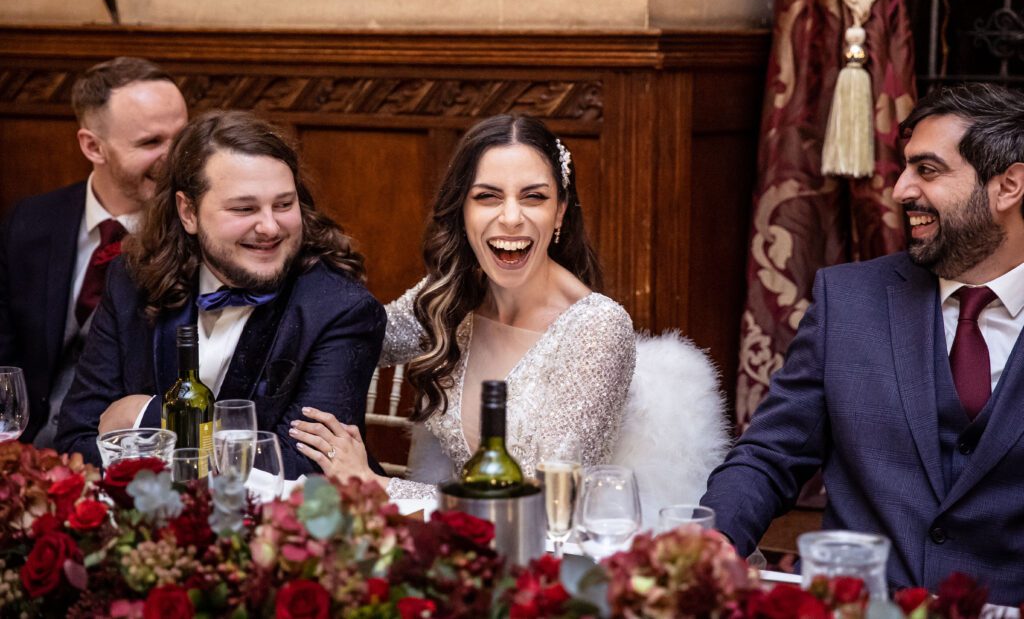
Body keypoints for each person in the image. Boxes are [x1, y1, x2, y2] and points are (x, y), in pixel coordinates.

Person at [700, 83, 1024, 603]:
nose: (900, 190)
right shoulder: (848, 301)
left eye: (928, 170)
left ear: (1008, 186)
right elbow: (769, 455)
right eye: (905, 169)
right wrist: (712, 541)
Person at [289, 114, 637, 498]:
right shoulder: (449, 297)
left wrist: (379, 485)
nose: (510, 218)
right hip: (456, 544)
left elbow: (545, 503)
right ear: (462, 211)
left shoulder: (598, 328)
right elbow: (360, 333)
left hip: (543, 549)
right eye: (487, 197)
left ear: (560, 212)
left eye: (533, 197)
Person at [55, 110, 386, 479]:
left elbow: (302, 466)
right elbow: (76, 439)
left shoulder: (340, 309)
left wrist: (146, 418)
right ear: (188, 213)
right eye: (244, 208)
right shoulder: (131, 281)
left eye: (284, 205)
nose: (270, 226)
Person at [0, 57, 188, 447]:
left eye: (183, 139)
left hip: (128, 457)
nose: (177, 160)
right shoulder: (30, 222)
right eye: (151, 143)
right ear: (93, 146)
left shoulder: (197, 236)